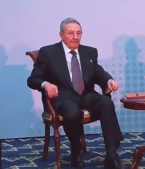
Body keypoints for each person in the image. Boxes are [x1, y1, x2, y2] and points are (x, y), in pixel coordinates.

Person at [27, 18, 124, 169]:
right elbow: (33, 79)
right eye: (71, 33)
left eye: (78, 33)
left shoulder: (89, 52)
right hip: (63, 96)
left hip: (86, 95)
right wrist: (45, 84)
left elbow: (98, 73)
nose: (75, 37)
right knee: (72, 112)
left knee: (106, 102)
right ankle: (76, 150)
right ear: (61, 35)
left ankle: (111, 154)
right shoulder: (48, 53)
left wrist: (108, 81)